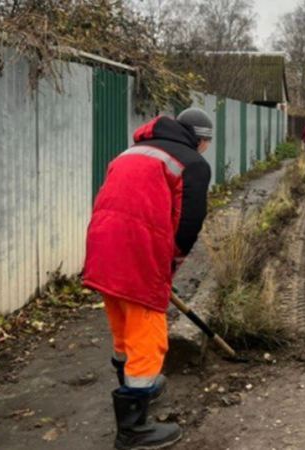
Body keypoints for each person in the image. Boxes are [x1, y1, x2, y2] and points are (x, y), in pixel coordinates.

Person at [83, 108, 213, 449]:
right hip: (138, 252)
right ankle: (132, 430)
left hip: (101, 245)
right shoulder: (192, 162)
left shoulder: (130, 152)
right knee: (149, 337)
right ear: (200, 140)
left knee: (123, 326)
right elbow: (189, 223)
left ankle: (137, 387)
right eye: (207, 144)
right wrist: (168, 267)